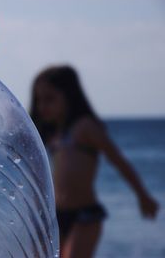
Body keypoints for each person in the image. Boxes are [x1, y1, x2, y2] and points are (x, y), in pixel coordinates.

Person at [29, 65, 159, 258]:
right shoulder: (54, 134)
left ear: (69, 96)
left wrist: (142, 196)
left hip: (85, 216)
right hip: (57, 216)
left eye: (50, 99)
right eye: (39, 100)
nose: (42, 106)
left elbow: (119, 161)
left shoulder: (85, 128)